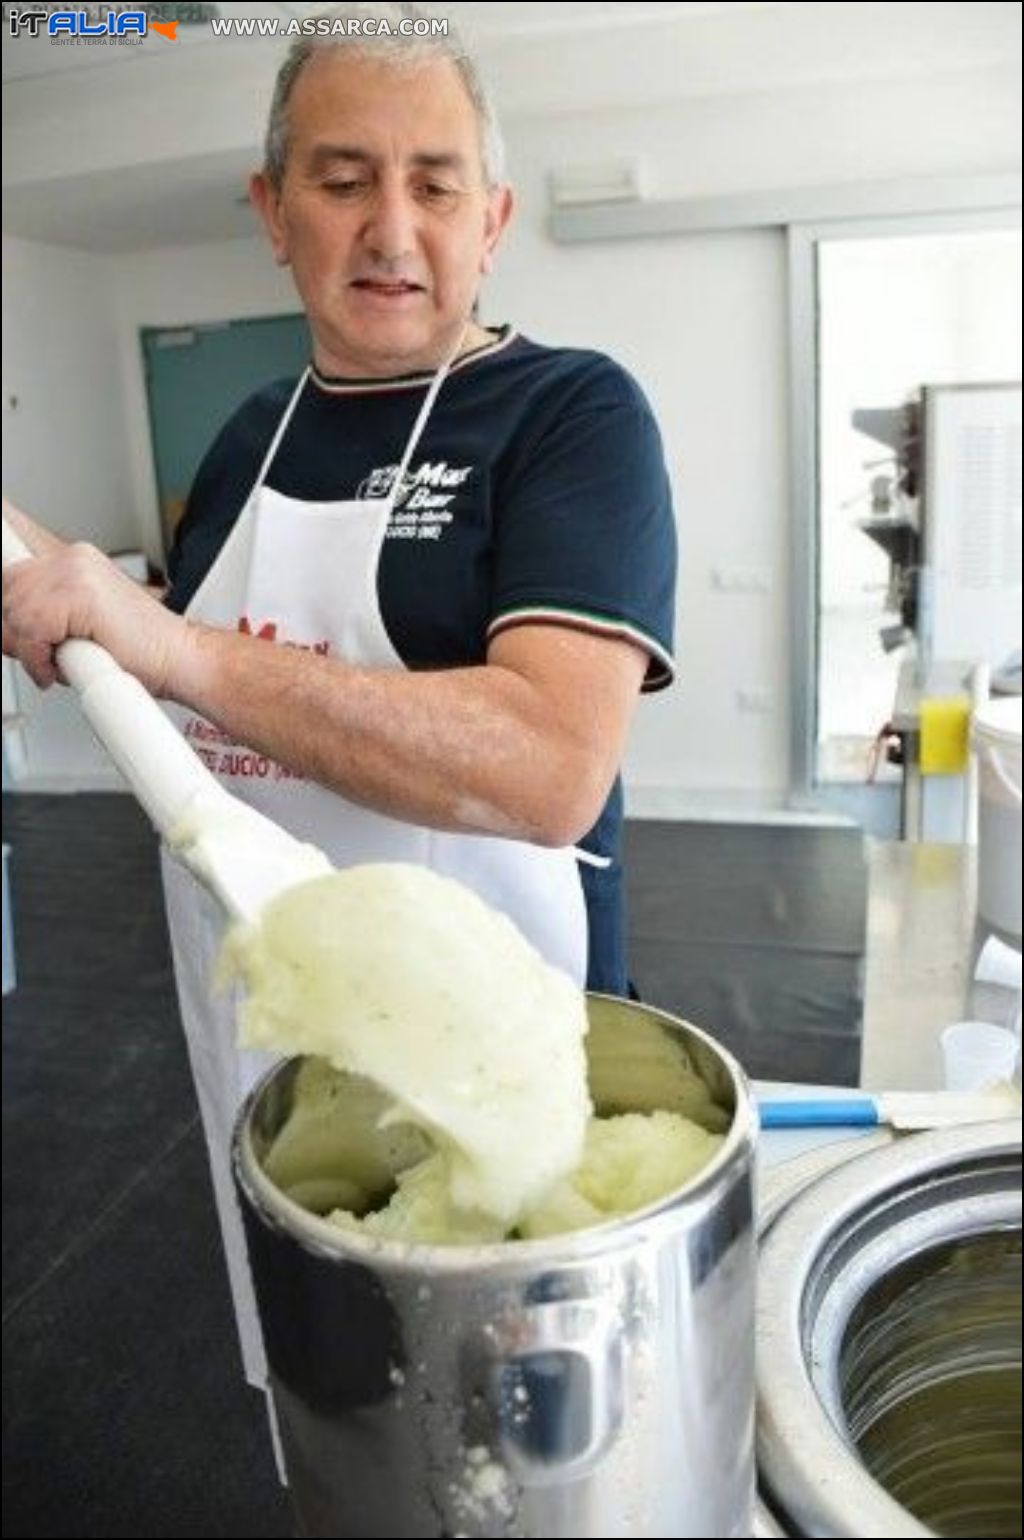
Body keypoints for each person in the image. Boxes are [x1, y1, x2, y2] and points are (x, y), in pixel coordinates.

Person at [2, 3, 677, 1398]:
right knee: (329, 1408)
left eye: (434, 184)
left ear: (491, 220)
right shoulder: (253, 434)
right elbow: (200, 720)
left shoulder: (570, 415)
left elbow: (550, 763)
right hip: (272, 1038)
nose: (391, 227)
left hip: (503, 1066)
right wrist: (82, 617)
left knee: (522, 1428)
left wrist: (175, 649)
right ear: (273, 208)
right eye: (342, 177)